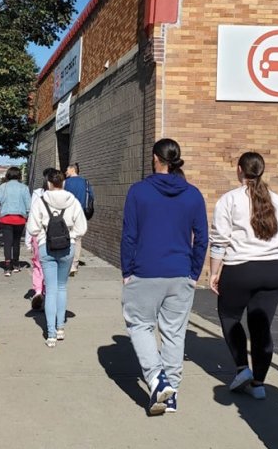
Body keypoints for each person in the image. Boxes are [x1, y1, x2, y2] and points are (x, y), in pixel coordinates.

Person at [121, 138, 208, 415]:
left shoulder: (139, 192)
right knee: (174, 333)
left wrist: (127, 270)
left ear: (156, 158)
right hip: (180, 272)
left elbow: (129, 236)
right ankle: (171, 394)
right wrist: (194, 272)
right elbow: (202, 239)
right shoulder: (193, 195)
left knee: (140, 326)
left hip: (145, 271)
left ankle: (157, 379)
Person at [209, 151, 278, 400]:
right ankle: (259, 384)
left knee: (229, 315)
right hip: (275, 269)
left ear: (239, 170)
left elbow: (219, 241)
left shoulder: (229, 200)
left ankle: (242, 368)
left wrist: (214, 273)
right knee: (261, 326)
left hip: (241, 268)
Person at [27, 168, 87, 347]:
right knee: (62, 287)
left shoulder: (40, 201)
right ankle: (60, 327)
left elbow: (32, 228)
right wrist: (72, 234)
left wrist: (41, 234)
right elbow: (82, 227)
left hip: (47, 247)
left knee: (51, 289)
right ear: (63, 183)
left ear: (48, 183)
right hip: (67, 247)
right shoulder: (73, 201)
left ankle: (51, 334)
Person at [25, 167, 57, 310]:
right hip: (56, 236)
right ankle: (48, 292)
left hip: (38, 235)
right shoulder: (63, 196)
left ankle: (38, 291)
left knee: (38, 265)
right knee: (52, 265)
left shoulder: (38, 194)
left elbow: (32, 217)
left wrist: (28, 239)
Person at [0, 166, 31, 276]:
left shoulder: (3, 187)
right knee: (16, 241)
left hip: (6, 218)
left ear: (8, 175)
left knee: (7, 242)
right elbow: (28, 205)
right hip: (19, 219)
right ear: (19, 175)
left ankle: (7, 267)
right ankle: (16, 264)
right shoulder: (24, 188)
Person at [64, 162, 94, 276]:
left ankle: (67, 262)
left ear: (72, 170)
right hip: (81, 214)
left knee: (67, 237)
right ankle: (74, 265)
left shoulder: (65, 183)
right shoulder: (85, 182)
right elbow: (91, 197)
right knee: (77, 239)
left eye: (67, 170)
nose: (66, 172)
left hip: (67, 214)